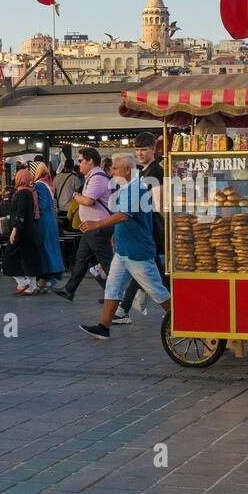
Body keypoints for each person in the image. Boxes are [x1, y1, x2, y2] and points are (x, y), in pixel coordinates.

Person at [79, 152, 173, 339]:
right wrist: (115, 235)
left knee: (157, 290)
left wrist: (96, 224)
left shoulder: (136, 189)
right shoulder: (126, 188)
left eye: (115, 168)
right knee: (112, 288)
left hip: (137, 251)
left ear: (127, 170)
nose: (111, 171)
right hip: (124, 250)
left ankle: (182, 320)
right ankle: (103, 327)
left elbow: (124, 215)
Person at [52, 148, 115, 302]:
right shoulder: (92, 177)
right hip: (90, 227)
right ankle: (69, 289)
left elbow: (88, 201)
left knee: (107, 263)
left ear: (90, 162)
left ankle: (116, 296)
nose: (78, 164)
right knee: (82, 259)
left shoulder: (97, 178)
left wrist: (75, 195)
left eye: (81, 161)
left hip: (98, 226)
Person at [119, 132, 167, 322]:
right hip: (145, 226)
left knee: (148, 270)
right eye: (137, 149)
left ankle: (124, 308)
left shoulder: (155, 171)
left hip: (152, 227)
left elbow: (159, 204)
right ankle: (123, 308)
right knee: (145, 268)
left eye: (144, 149)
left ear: (153, 149)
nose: (139, 153)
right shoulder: (144, 171)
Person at [3, 168, 43, 294]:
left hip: (21, 231)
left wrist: (14, 230)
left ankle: (22, 282)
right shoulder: (30, 192)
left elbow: (20, 213)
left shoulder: (22, 193)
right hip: (29, 231)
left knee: (9, 257)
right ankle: (32, 286)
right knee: (29, 258)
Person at [31, 161, 64, 291]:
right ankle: (48, 280)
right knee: (51, 248)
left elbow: (42, 205)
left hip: (43, 222)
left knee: (44, 249)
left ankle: (45, 279)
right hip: (51, 220)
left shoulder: (39, 185)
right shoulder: (48, 183)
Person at [52, 146, 81, 227]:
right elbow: (78, 193)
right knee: (70, 227)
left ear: (64, 166)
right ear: (72, 167)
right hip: (71, 209)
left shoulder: (57, 177)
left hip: (59, 208)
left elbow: (53, 192)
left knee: (61, 227)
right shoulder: (75, 178)